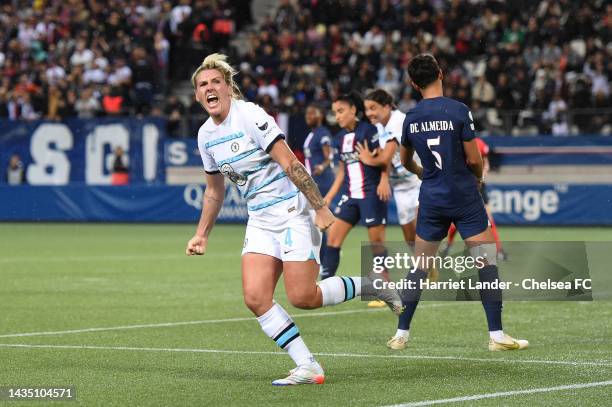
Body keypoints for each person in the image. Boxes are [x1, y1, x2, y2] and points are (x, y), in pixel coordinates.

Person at [185, 54, 401, 386]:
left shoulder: (250, 115)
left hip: (293, 212)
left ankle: (374, 285)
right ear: (198, 96)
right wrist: (202, 234)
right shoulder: (205, 136)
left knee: (303, 297)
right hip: (259, 219)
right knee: (255, 298)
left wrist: (319, 207)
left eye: (216, 82)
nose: (209, 88)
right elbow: (214, 191)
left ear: (228, 88)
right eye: (203, 85)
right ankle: (308, 365)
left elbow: (290, 162)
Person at [399, 54, 528, 351]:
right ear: (440, 74)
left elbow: (405, 160)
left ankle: (401, 333)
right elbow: (474, 158)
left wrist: (423, 173)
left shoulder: (412, 117)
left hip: (431, 197)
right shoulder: (458, 111)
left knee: (420, 266)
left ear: (413, 83)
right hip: (464, 195)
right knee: (486, 261)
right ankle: (496, 335)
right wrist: (479, 179)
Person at [356, 89, 423, 349]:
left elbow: (385, 157)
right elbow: (384, 157)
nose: (370, 113)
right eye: (367, 109)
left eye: (374, 108)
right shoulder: (380, 126)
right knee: (409, 236)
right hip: (401, 186)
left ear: (387, 106)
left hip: (417, 180)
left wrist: (372, 162)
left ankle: (424, 267)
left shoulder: (397, 121)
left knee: (423, 230)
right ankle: (427, 266)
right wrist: (380, 168)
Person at [319, 92, 396, 310]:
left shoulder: (368, 130)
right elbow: (342, 171)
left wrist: (384, 180)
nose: (338, 117)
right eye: (335, 113)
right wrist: (329, 197)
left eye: (341, 111)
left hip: (372, 194)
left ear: (353, 110)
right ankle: (324, 287)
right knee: (333, 239)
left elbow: (384, 157)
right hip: (351, 196)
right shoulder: (339, 139)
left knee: (376, 244)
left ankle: (385, 289)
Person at [444, 137, 507, 260]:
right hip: (463, 186)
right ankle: (448, 244)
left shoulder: (479, 143)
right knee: (459, 219)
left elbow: (486, 163)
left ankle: (498, 250)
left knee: (489, 219)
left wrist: (481, 175)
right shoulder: (457, 143)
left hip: (478, 185)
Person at [303, 104, 334, 264]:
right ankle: (323, 256)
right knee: (313, 222)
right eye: (307, 113)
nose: (308, 116)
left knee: (318, 221)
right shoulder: (312, 134)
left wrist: (322, 166)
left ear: (320, 115)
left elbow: (329, 156)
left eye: (312, 113)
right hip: (312, 182)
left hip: (322, 182)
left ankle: (325, 257)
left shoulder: (323, 133)